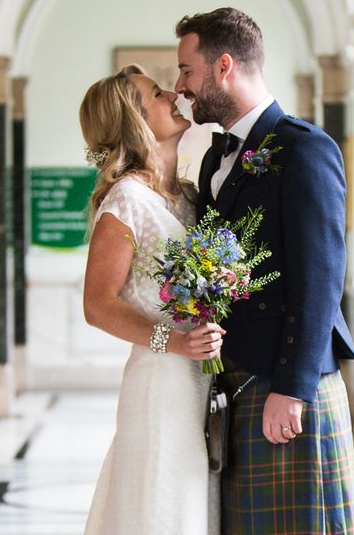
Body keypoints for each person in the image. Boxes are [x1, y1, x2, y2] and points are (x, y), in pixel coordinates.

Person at [174, 8, 354, 534]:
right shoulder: (216, 158)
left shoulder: (304, 148)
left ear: (224, 66)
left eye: (187, 71)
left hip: (286, 382)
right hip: (237, 380)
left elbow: (320, 279)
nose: (180, 86)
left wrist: (293, 387)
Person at [79, 64, 223, 534]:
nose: (172, 96)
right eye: (158, 93)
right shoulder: (126, 201)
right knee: (166, 507)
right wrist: (176, 343)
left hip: (202, 378)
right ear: (136, 120)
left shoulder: (185, 196)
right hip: (162, 383)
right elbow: (98, 306)